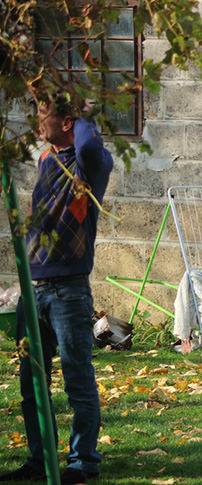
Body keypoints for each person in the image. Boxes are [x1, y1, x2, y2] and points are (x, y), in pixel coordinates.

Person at [0, 93, 113, 484]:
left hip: (69, 290)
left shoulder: (91, 164)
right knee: (32, 381)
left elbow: (87, 145)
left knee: (76, 378)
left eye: (44, 114)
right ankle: (41, 456)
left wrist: (79, 109)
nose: (36, 121)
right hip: (34, 289)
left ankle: (83, 462)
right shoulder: (46, 159)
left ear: (68, 122)